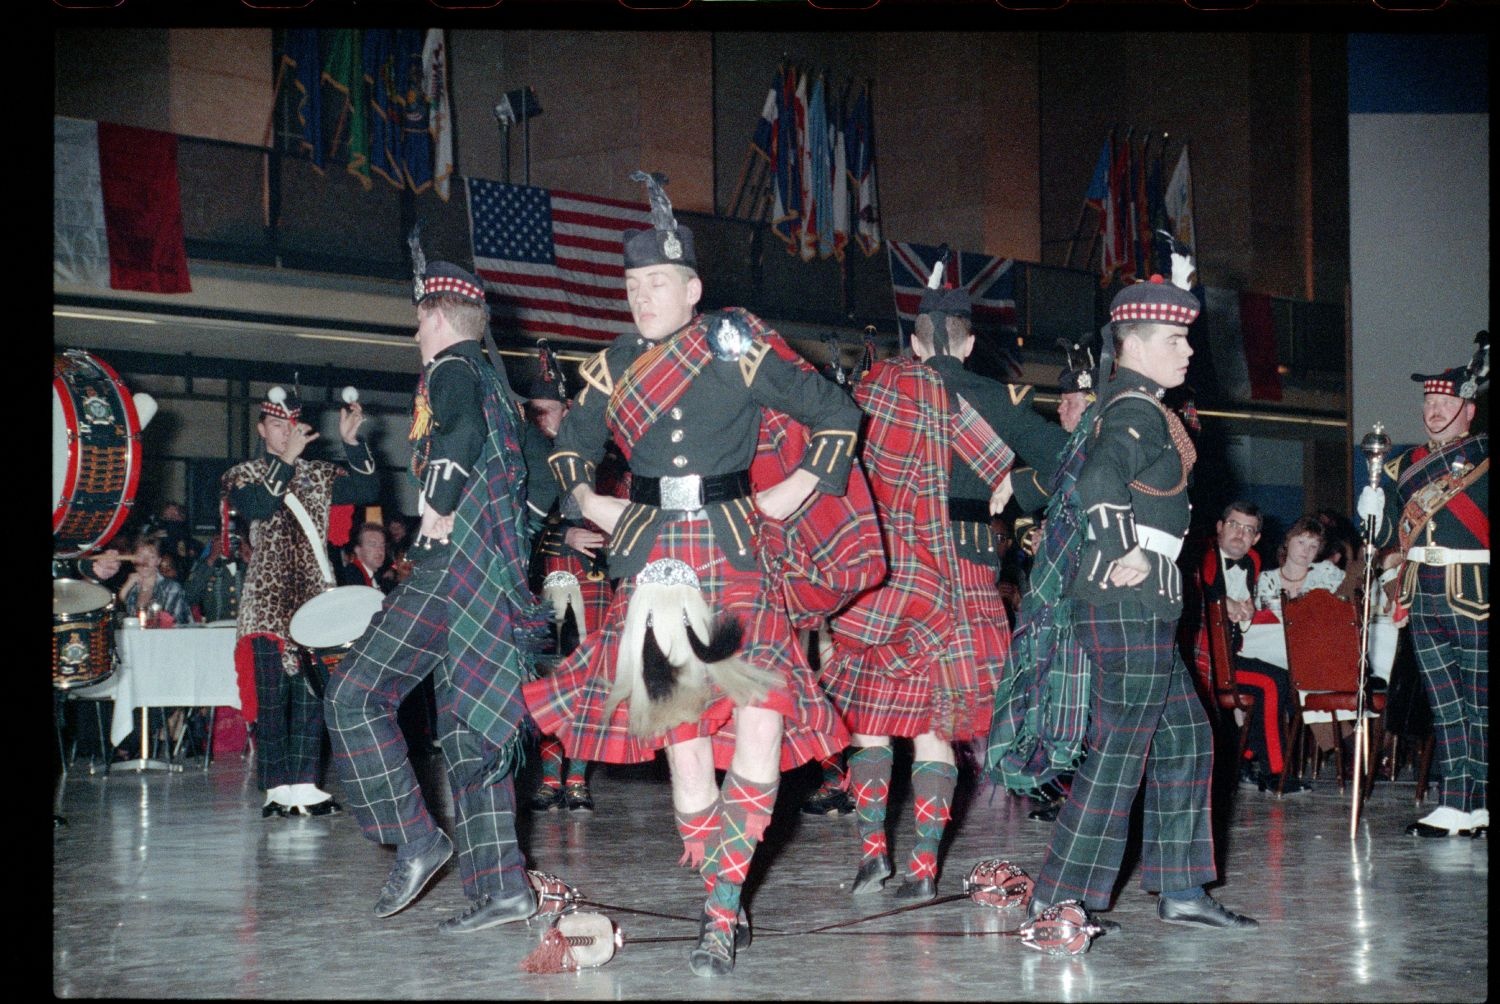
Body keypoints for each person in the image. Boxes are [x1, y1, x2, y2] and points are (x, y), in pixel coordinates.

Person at [523, 171, 870, 977]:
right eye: (633, 285)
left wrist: (794, 487)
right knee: (684, 752)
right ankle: (723, 887)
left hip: (735, 547)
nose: (643, 298)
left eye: (659, 283)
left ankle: (718, 913)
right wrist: (592, 500)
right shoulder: (612, 363)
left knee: (759, 725)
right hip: (654, 560)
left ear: (692, 288)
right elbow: (571, 445)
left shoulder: (732, 344)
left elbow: (834, 412)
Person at [1027, 273, 1258, 932]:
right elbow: (1099, 481)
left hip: (1139, 604)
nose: (1187, 351)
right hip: (1127, 603)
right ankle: (1058, 894)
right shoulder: (1133, 408)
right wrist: (1119, 544)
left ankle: (1181, 889)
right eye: (1174, 338)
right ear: (1134, 343)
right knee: (1121, 750)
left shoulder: (1137, 402)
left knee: (1185, 738)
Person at [325, 257, 545, 933]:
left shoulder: (451, 369)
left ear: (435, 316)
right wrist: (511, 535)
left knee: (355, 695)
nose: (413, 325)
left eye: (418, 313)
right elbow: (544, 478)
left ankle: (417, 837)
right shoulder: (498, 387)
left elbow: (460, 437)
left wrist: (443, 508)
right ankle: (503, 887)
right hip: (488, 583)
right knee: (471, 733)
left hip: (449, 570)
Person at [821, 281, 1019, 902]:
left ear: (912, 341)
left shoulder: (877, 390)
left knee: (870, 725)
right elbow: (1004, 480)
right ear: (968, 341)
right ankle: (926, 868)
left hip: (887, 571)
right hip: (960, 574)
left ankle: (872, 856)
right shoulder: (978, 400)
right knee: (935, 730)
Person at [221, 383, 377, 818]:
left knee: (311, 697)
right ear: (262, 428)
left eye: (290, 423)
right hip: (267, 601)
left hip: (313, 600)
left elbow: (367, 491)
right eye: (276, 424)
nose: (285, 432)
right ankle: (275, 786)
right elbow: (259, 507)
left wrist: (351, 443)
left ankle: (306, 783)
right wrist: (285, 463)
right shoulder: (243, 474)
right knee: (272, 699)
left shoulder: (319, 475)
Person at [1358, 349, 1488, 838]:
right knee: (1445, 704)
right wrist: (1371, 508)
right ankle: (1456, 803)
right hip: (1421, 590)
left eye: (1446, 400)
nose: (1434, 410)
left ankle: (1480, 801)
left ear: (1468, 409)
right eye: (1429, 401)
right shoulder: (1402, 465)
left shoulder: (1483, 458)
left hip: (1476, 589)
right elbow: (1386, 531)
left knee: (1481, 703)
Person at [522, 340, 609, 814]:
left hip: (592, 581)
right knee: (547, 681)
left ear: (568, 409)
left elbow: (623, 511)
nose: (540, 420)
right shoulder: (526, 460)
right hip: (547, 579)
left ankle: (577, 777)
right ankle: (551, 776)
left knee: (586, 681)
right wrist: (563, 533)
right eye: (533, 412)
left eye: (547, 411)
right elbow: (523, 523)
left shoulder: (597, 453)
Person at [1195, 505, 1311, 794]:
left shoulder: (1253, 562)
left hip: (1231, 654)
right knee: (1271, 682)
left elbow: (1243, 606)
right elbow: (1200, 587)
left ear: (1256, 538)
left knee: (1280, 677)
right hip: (1204, 661)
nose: (1240, 534)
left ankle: (1244, 758)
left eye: (1248, 530)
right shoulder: (1203, 556)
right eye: (1234, 525)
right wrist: (1224, 602)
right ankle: (1275, 774)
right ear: (1220, 527)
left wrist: (1245, 610)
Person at [117, 535, 192, 626]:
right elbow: (120, 619)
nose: (145, 561)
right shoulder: (131, 588)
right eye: (141, 556)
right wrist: (126, 587)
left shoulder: (171, 588)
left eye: (151, 557)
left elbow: (178, 624)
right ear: (133, 559)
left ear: (158, 561)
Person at [185, 528, 250, 623]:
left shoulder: (248, 565)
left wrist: (252, 561)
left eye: (233, 539)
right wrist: (211, 558)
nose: (229, 544)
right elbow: (190, 597)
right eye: (223, 539)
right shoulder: (205, 566)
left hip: (246, 628)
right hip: (215, 629)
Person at [338, 522, 394, 593]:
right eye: (373, 545)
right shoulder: (351, 578)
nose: (380, 550)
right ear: (358, 550)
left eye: (382, 545)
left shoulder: (379, 578)